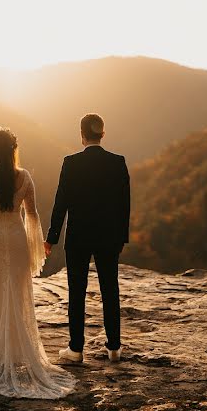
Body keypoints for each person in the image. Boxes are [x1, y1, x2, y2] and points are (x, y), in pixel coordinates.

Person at [0, 126, 75, 398]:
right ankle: (16, 350)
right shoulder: (25, 177)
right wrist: (36, 250)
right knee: (18, 291)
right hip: (16, 238)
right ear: (13, 150)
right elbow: (32, 215)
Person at [45, 113, 131, 363]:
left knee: (77, 291)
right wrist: (121, 238)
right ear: (102, 134)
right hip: (109, 237)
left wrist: (51, 237)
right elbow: (124, 204)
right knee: (110, 290)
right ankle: (114, 348)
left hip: (78, 237)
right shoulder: (118, 162)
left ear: (81, 135)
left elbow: (61, 203)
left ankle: (76, 350)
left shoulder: (71, 163)